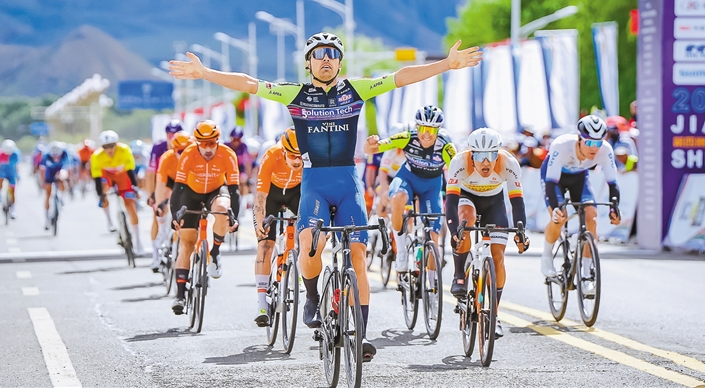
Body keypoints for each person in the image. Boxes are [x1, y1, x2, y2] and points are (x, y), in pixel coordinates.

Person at [168, 32, 481, 361]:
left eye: (332, 53)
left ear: (340, 62)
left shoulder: (355, 90)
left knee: (358, 256)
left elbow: (400, 77)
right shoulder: (295, 94)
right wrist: (205, 73)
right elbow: (249, 83)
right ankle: (313, 297)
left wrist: (446, 64)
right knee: (309, 243)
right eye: (319, 54)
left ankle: (361, 335)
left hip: (347, 182)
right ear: (309, 63)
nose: (326, 58)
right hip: (315, 182)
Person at [445, 128, 529, 338]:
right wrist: (454, 230)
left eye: (491, 155)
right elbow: (451, 202)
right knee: (466, 220)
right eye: (480, 156)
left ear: (498, 154)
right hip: (466, 198)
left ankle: (494, 314)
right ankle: (459, 275)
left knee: (498, 257)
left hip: (494, 203)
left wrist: (521, 231)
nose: (486, 162)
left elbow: (517, 202)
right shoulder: (459, 162)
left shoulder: (509, 163)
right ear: (471, 154)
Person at [363, 106, 456, 273]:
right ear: (416, 127)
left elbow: (455, 173)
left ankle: (432, 284)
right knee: (397, 198)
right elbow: (371, 150)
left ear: (439, 130)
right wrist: (370, 144)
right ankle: (401, 252)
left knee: (433, 240)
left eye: (431, 130)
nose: (426, 134)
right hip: (407, 179)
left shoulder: (446, 145)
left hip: (431, 187)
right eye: (423, 129)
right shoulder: (407, 137)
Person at [539, 115, 620, 291]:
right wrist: (555, 209)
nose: (594, 148)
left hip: (579, 178)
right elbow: (551, 182)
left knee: (592, 217)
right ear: (579, 139)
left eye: (598, 143)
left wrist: (614, 207)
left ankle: (586, 274)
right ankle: (547, 255)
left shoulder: (605, 150)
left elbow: (613, 183)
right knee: (559, 218)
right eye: (589, 142)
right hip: (555, 180)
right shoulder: (561, 145)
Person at [169, 121, 240, 314]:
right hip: (191, 194)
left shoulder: (228, 154)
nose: (207, 148)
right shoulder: (188, 154)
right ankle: (180, 295)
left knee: (223, 209)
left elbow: (234, 189)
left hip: (216, 191)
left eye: (211, 143)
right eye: (202, 143)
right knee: (187, 244)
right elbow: (178, 188)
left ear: (218, 140)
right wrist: (174, 213)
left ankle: (214, 252)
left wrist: (234, 216)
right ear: (196, 142)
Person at [252, 127, 303, 326]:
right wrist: (259, 222)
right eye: (292, 155)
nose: (297, 160)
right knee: (265, 244)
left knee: (307, 231)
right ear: (283, 151)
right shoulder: (271, 155)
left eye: (300, 156)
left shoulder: (308, 157)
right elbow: (260, 197)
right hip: (272, 194)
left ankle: (298, 268)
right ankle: (262, 304)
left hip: (296, 193)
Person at [150, 131, 193, 272]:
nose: (183, 153)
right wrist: (159, 204)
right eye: (180, 151)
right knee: (164, 203)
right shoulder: (166, 158)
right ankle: (162, 234)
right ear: (173, 150)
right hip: (170, 181)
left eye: (186, 150)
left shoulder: (195, 156)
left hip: (186, 182)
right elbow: (160, 184)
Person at [91, 130, 141, 241]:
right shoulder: (96, 156)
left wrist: (135, 187)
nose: (109, 149)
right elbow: (97, 178)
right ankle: (109, 221)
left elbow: (130, 171)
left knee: (130, 203)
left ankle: (138, 240)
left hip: (122, 175)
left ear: (116, 144)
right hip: (107, 176)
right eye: (105, 147)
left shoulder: (124, 150)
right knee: (103, 192)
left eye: (111, 146)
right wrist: (101, 195)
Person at [147, 119, 185, 267]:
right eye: (170, 134)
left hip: (182, 180)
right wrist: (151, 194)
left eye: (176, 134)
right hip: (165, 180)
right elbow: (151, 174)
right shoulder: (159, 148)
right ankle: (156, 255)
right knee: (158, 213)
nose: (173, 137)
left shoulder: (188, 144)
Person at [40, 141, 71, 229]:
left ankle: (61, 198)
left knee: (62, 179)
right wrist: (43, 182)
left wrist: (69, 180)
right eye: (53, 155)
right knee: (48, 193)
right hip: (49, 172)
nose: (56, 157)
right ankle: (47, 219)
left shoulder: (65, 154)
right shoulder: (46, 156)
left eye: (57, 155)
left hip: (60, 170)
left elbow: (69, 168)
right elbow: (42, 170)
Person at [0, 139, 21, 218]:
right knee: (0, 180)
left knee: (12, 191)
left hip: (12, 174)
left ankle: (13, 209)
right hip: (3, 172)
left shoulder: (15, 154)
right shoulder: (1, 154)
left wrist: (18, 175)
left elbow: (17, 165)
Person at [227, 126, 254, 201]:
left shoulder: (243, 147)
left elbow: (247, 163)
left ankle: (242, 202)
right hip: (227, 170)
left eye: (238, 140)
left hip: (239, 170)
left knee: (243, 180)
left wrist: (249, 178)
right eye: (234, 139)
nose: (236, 142)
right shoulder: (226, 146)